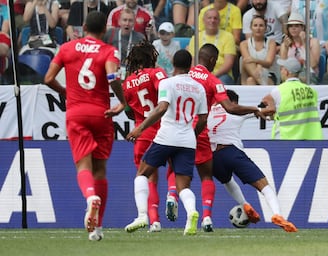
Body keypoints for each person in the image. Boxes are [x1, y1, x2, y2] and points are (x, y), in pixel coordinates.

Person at [165, 43, 272, 232]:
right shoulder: (213, 81)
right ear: (213, 60)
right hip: (200, 131)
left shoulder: (181, 77)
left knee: (175, 167)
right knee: (206, 176)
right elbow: (230, 108)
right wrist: (256, 109)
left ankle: (172, 196)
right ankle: (206, 218)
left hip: (178, 127)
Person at [44, 11, 127, 241]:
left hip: (77, 113)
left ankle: (90, 197)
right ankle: (98, 229)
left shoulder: (67, 48)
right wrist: (122, 101)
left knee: (83, 166)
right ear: (104, 31)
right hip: (102, 113)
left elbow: (48, 78)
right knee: (100, 169)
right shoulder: (109, 50)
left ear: (82, 27)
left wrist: (66, 93)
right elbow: (112, 78)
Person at [124, 49, 208, 236]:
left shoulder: (167, 82)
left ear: (173, 63)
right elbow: (203, 118)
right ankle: (192, 213)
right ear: (190, 65)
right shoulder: (198, 87)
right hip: (187, 140)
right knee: (183, 186)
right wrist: (192, 134)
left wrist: (140, 128)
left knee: (142, 175)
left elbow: (162, 108)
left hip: (166, 136)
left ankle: (142, 216)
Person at [207, 89, 298, 232]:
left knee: (227, 180)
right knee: (264, 186)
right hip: (232, 151)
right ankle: (277, 214)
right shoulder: (236, 110)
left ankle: (244, 204)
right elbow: (269, 110)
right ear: (234, 103)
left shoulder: (208, 111)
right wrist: (267, 108)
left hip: (213, 157)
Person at [122, 40, 167, 232]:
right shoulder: (157, 73)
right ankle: (174, 199)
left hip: (142, 134)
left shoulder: (127, 82)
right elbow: (167, 97)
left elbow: (129, 111)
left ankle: (153, 220)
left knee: (148, 178)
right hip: (165, 132)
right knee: (176, 173)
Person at [261, 57, 323, 140]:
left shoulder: (278, 91)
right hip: (310, 139)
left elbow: (270, 110)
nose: (281, 71)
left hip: (285, 139)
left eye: (282, 69)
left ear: (286, 72)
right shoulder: (311, 91)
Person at [187, 8, 236, 85]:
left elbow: (228, 63)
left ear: (219, 21)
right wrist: (201, 76)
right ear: (203, 20)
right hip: (199, 74)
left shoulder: (228, 37)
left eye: (215, 18)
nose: (212, 20)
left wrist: (211, 77)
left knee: (221, 82)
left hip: (221, 75)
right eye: (209, 18)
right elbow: (193, 61)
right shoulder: (196, 38)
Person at [103, 8, 145, 81]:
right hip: (112, 71)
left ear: (134, 23)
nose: (127, 23)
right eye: (125, 20)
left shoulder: (140, 38)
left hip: (131, 73)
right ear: (119, 21)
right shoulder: (110, 33)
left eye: (130, 20)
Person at [280, 12, 320, 85]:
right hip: (290, 75)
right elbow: (282, 66)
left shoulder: (313, 42)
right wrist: (286, 48)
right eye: (291, 26)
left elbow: (313, 64)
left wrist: (305, 43)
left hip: (308, 74)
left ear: (303, 28)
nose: (293, 28)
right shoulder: (284, 44)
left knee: (303, 76)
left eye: (297, 26)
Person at [239, 15, 278, 85]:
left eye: (261, 25)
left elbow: (269, 63)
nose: (258, 28)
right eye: (255, 25)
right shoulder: (244, 44)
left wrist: (257, 62)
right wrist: (258, 65)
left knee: (251, 80)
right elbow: (248, 61)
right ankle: (263, 84)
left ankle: (262, 83)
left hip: (269, 74)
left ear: (265, 28)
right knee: (250, 78)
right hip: (250, 74)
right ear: (251, 28)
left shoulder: (271, 43)